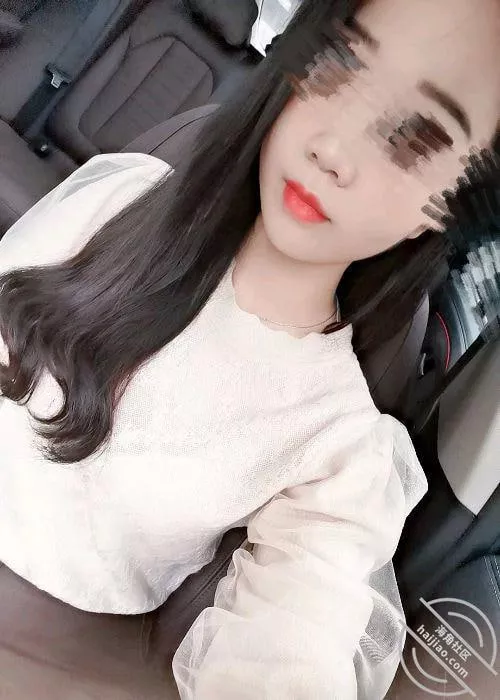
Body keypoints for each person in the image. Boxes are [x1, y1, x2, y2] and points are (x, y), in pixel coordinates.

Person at [0, 0, 499, 698]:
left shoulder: (340, 450)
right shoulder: (125, 194)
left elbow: (290, 651)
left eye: (412, 140)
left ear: (448, 206)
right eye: (338, 67)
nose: (332, 149)